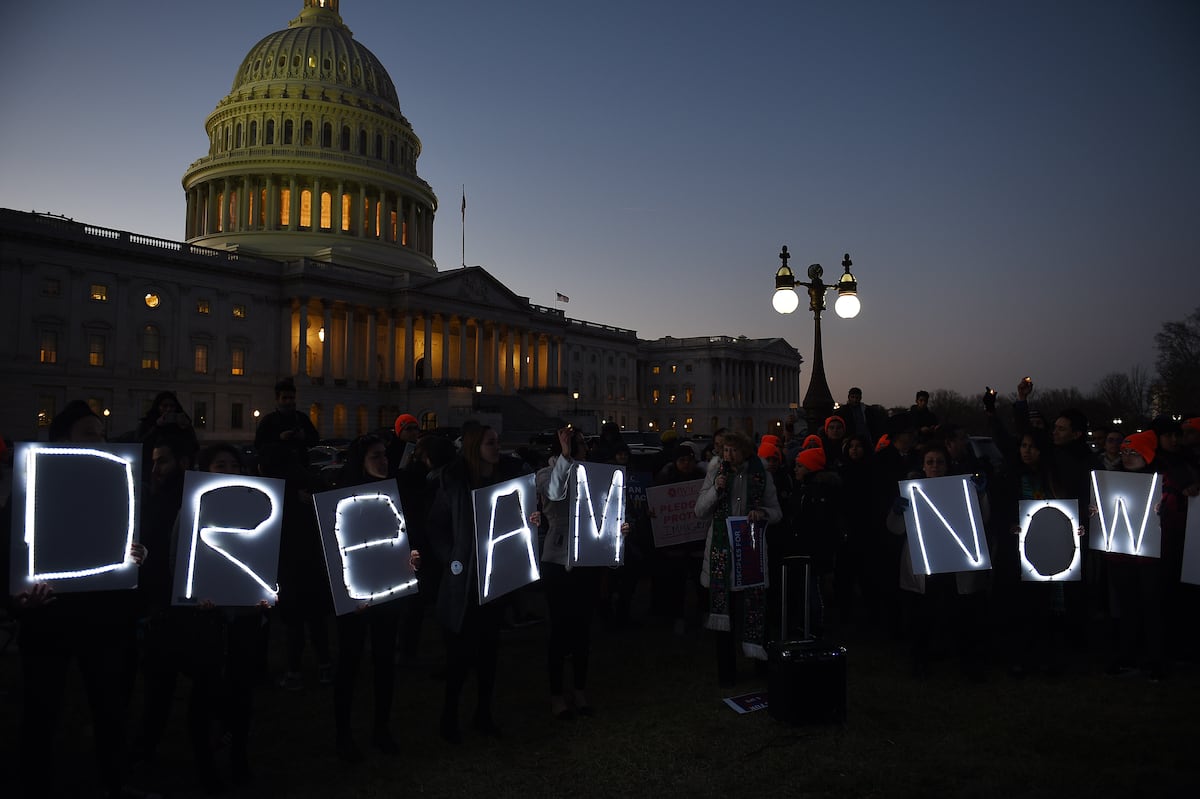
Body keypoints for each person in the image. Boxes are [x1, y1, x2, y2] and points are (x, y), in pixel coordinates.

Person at [11, 400, 148, 798]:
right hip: (48, 617)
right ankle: (35, 782)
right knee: (42, 708)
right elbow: (11, 552)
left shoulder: (111, 482)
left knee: (109, 705)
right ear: (61, 439)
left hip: (102, 617)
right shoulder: (32, 481)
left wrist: (139, 553)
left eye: (102, 435)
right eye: (89, 434)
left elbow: (127, 538)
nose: (100, 441)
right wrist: (18, 601)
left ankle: (113, 779)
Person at [425, 424, 533, 742]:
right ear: (475, 447)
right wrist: (452, 558)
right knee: (460, 657)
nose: (496, 447)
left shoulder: (506, 478)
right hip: (465, 582)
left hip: (495, 578)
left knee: (489, 654)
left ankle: (483, 714)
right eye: (490, 443)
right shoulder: (455, 482)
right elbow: (436, 525)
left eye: (497, 442)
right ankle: (449, 718)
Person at [535, 427, 630, 719]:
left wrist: (616, 532)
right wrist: (566, 457)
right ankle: (556, 695)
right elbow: (555, 492)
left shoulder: (593, 474)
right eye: (582, 445)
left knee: (582, 629)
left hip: (586, 561)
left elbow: (603, 509)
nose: (587, 450)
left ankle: (578, 689)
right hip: (558, 561)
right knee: (559, 629)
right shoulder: (545, 474)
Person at [332, 434, 409, 762]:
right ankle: (344, 733)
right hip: (356, 593)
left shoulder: (394, 494)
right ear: (360, 461)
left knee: (384, 661)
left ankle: (381, 728)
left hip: (388, 589)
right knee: (349, 662)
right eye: (375, 456)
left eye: (384, 455)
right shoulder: (343, 500)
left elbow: (402, 536)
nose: (383, 461)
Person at [887, 443, 990, 678]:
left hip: (956, 564)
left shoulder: (962, 490)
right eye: (930, 462)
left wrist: (981, 495)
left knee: (960, 614)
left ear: (948, 465)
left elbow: (982, 520)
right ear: (923, 466)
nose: (935, 466)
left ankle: (966, 661)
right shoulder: (912, 492)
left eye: (940, 462)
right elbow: (895, 528)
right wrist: (897, 511)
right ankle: (920, 660)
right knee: (922, 615)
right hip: (925, 564)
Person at [695, 430, 782, 686]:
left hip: (750, 552)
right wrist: (716, 490)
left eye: (733, 450)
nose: (729, 455)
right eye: (725, 450)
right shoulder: (716, 472)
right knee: (725, 618)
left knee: (755, 611)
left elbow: (777, 512)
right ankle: (727, 673)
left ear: (745, 452)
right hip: (721, 553)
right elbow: (700, 510)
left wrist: (762, 513)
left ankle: (761, 666)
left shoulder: (761, 474)